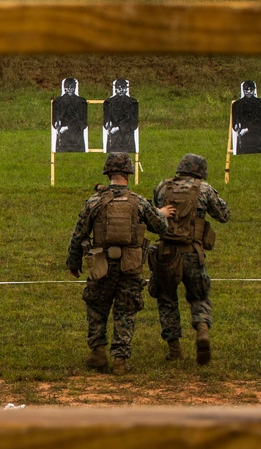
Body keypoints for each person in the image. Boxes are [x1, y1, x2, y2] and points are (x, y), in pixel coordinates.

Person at [66, 152, 174, 375]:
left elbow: (78, 234)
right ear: (128, 173)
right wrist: (161, 213)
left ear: (108, 173)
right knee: (125, 311)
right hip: (130, 266)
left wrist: (73, 261)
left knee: (96, 307)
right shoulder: (139, 202)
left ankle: (97, 352)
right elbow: (161, 227)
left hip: (101, 265)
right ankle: (120, 360)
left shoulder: (94, 201)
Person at [146, 153, 231, 365]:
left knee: (166, 299)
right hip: (193, 252)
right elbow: (223, 215)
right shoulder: (204, 189)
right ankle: (202, 330)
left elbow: (155, 217)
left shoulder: (162, 187)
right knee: (199, 295)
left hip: (166, 254)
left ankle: (174, 351)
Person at [52, 77, 88, 153]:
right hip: (63, 139)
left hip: (77, 138)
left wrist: (68, 127)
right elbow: (55, 122)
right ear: (64, 88)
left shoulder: (81, 101)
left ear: (75, 87)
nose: (70, 89)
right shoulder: (58, 101)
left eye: (72, 87)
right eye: (68, 87)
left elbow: (84, 123)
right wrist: (57, 123)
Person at [232, 79, 261, 154]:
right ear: (243, 90)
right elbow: (234, 125)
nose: (248, 92)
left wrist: (248, 129)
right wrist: (237, 126)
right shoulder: (237, 104)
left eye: (251, 90)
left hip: (257, 140)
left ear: (254, 90)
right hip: (243, 142)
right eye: (246, 90)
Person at [103, 78, 138, 153]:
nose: (121, 90)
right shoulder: (108, 102)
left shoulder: (133, 103)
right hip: (113, 140)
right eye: (118, 88)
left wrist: (118, 128)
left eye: (123, 87)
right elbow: (105, 120)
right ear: (115, 89)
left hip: (127, 140)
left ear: (126, 89)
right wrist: (107, 124)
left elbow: (134, 124)